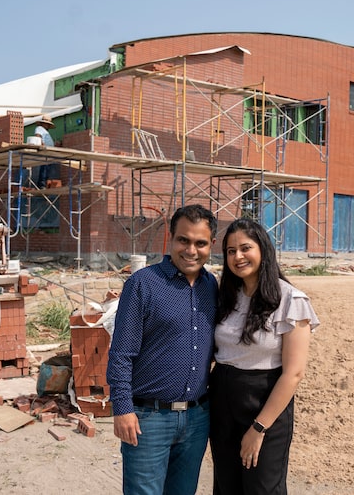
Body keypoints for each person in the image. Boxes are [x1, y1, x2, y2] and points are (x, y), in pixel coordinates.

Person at [107, 204, 219, 495]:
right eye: (184, 240)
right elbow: (121, 353)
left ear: (211, 245)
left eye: (200, 243)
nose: (191, 250)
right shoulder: (144, 284)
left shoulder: (212, 286)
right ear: (170, 239)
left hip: (196, 420)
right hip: (148, 420)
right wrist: (122, 409)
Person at [210, 218, 320, 495]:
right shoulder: (226, 296)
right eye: (231, 251)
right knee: (227, 486)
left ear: (263, 250)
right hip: (222, 403)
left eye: (245, 248)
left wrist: (258, 428)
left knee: (262, 489)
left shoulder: (291, 300)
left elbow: (294, 373)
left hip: (263, 406)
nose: (238, 256)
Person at [34, 114, 57, 187]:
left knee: (47, 168)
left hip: (49, 152)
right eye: (47, 124)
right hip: (45, 151)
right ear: (43, 123)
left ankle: (44, 183)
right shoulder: (39, 128)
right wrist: (42, 144)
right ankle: (41, 184)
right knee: (44, 167)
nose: (48, 126)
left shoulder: (45, 131)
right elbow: (38, 136)